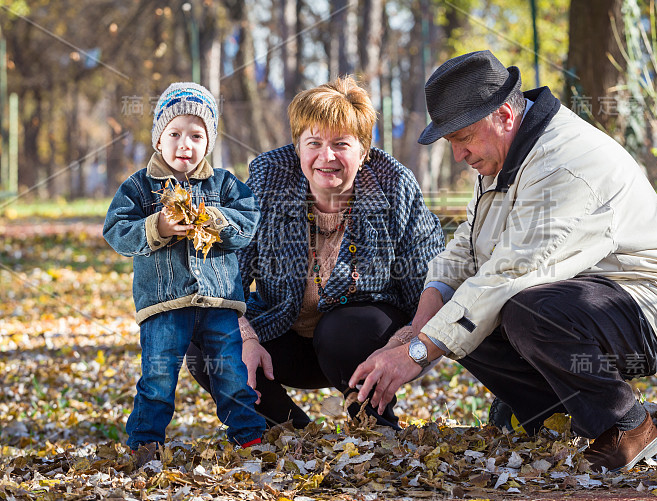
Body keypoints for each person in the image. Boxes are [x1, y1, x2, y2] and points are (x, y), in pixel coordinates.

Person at [350, 50, 657, 472]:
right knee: (460, 317)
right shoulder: (503, 156)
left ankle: (626, 423)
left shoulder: (565, 165)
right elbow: (463, 251)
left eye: (463, 138)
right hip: (583, 292)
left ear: (503, 114)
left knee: (522, 310)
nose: (459, 155)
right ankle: (556, 413)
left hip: (655, 300)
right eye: (452, 143)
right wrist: (416, 332)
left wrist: (416, 355)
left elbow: (510, 275)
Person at [186, 76, 445, 430]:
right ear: (298, 148)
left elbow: (434, 282)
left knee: (341, 329)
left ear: (364, 150)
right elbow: (221, 275)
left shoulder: (394, 187)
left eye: (341, 143)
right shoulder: (268, 183)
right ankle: (291, 431)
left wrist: (403, 346)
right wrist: (243, 337)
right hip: (286, 335)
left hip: (364, 343)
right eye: (314, 143)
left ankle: (374, 422)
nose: (327, 156)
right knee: (206, 342)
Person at [103, 82, 266, 461]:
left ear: (208, 141)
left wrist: (214, 219)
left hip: (219, 303)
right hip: (164, 305)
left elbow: (248, 222)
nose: (184, 145)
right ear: (159, 138)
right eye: (174, 134)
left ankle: (248, 436)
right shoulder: (140, 188)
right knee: (158, 377)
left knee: (230, 373)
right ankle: (145, 442)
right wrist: (156, 227)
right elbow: (116, 230)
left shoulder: (223, 184)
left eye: (195, 135)